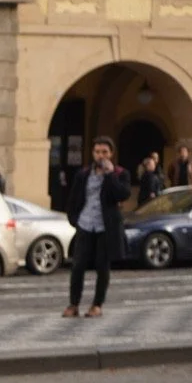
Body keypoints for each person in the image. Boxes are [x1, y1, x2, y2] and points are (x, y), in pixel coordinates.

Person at [62, 136, 130, 319]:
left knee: (102, 266)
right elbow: (74, 198)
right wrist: (74, 219)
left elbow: (121, 195)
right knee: (78, 266)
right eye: (97, 152)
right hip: (85, 223)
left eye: (104, 152)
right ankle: (73, 304)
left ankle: (97, 305)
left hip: (105, 227)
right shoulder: (83, 174)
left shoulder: (120, 173)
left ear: (111, 154)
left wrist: (109, 175)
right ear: (92, 153)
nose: (100, 156)